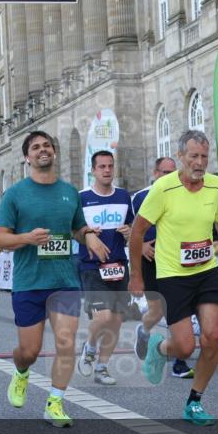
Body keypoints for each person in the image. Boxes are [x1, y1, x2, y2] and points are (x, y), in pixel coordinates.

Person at [0, 130, 111, 427]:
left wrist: (89, 238)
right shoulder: (15, 194)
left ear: (54, 153)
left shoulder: (69, 192)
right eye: (35, 147)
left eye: (47, 145)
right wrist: (27, 238)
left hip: (64, 280)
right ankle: (21, 372)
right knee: (29, 351)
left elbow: (77, 227)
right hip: (29, 282)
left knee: (65, 342)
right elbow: (1, 239)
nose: (42, 150)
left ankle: (55, 402)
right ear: (27, 157)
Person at [129, 130, 218, 426]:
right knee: (184, 347)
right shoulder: (163, 189)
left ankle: (194, 402)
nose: (200, 162)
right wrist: (136, 277)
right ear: (180, 156)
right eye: (193, 156)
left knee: (213, 337)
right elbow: (138, 232)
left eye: (204, 156)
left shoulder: (216, 186)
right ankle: (159, 348)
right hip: (173, 276)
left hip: (206, 272)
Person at [132, 156, 195, 379]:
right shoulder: (139, 197)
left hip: (176, 262)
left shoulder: (183, 192)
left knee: (176, 311)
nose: (168, 176)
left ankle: (179, 361)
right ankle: (144, 330)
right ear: (155, 173)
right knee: (157, 311)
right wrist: (140, 249)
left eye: (172, 172)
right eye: (164, 173)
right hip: (151, 261)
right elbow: (130, 232)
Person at [77, 150, 134, 386]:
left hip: (119, 265)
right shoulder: (81, 197)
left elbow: (131, 225)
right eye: (102, 166)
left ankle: (102, 368)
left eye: (110, 166)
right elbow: (75, 230)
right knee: (103, 316)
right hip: (92, 266)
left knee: (117, 320)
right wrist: (87, 233)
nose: (107, 170)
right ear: (93, 170)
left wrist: (129, 231)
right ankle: (89, 346)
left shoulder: (123, 196)